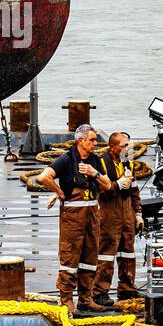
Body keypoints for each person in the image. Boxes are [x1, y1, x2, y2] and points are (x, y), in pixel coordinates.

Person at [36, 123, 112, 313]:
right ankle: (66, 300)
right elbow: (43, 177)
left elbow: (108, 185)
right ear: (80, 140)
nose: (95, 143)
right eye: (92, 140)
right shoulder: (66, 159)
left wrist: (93, 173)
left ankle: (86, 299)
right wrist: (59, 192)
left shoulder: (95, 160)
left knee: (90, 257)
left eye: (95, 139)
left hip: (93, 215)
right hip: (73, 217)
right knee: (70, 257)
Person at [92, 131, 144, 306]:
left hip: (127, 213)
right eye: (123, 145)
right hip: (109, 214)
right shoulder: (101, 164)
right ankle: (99, 291)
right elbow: (100, 192)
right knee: (106, 254)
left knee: (128, 252)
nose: (126, 148)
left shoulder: (128, 163)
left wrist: (138, 214)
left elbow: (135, 191)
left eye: (128, 145)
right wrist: (117, 185)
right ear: (112, 147)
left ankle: (127, 289)